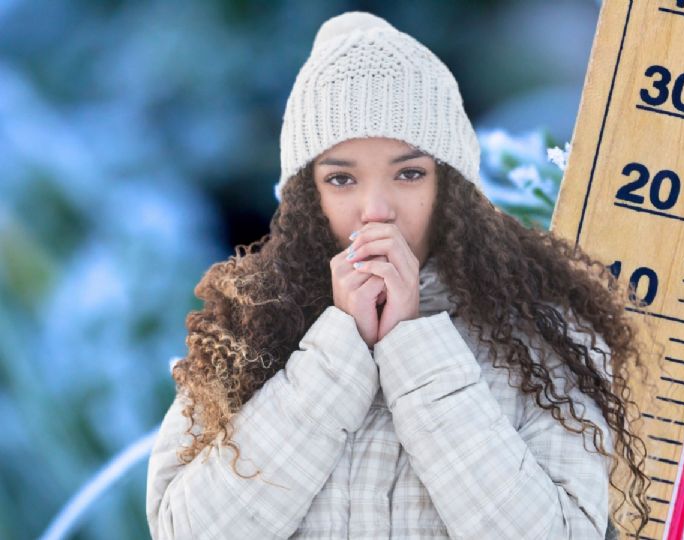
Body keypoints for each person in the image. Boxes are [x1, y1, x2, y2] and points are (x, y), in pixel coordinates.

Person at [145, 10, 652, 540]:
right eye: (341, 179)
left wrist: (413, 345)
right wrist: (338, 352)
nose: (376, 209)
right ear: (305, 197)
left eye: (409, 174)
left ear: (452, 187)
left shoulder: (548, 333)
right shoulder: (248, 331)